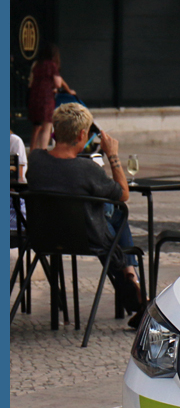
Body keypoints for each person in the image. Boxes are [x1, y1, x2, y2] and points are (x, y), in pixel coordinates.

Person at [26, 102, 143, 324]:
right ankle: (131, 278)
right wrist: (113, 155)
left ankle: (130, 279)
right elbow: (124, 193)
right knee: (117, 212)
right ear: (82, 134)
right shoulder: (87, 169)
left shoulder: (36, 160)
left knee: (109, 213)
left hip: (43, 237)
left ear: (55, 132)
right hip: (86, 240)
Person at [28, 44, 75, 150]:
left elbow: (30, 82)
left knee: (36, 126)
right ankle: (43, 150)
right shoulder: (52, 65)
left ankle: (32, 150)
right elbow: (58, 83)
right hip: (46, 98)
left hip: (34, 97)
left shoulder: (36, 64)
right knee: (47, 126)